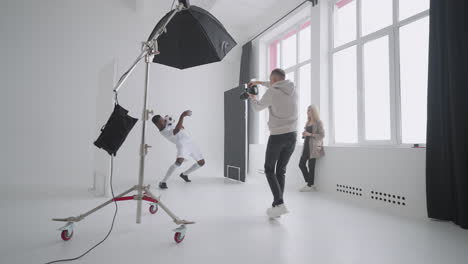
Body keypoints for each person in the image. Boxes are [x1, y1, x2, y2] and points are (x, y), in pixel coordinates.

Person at [248, 68, 298, 218]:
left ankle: (280, 203)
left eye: (270, 80)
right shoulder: (293, 90)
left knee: (269, 169)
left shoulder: (272, 92)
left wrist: (253, 97)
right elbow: (273, 85)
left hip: (278, 136)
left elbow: (257, 108)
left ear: (274, 80)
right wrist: (258, 82)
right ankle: (277, 207)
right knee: (281, 171)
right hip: (293, 135)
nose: (269, 82)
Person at [151, 110, 205, 189]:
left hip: (190, 142)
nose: (164, 121)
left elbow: (175, 126)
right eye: (162, 121)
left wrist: (179, 125)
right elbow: (176, 130)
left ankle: (184, 174)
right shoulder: (164, 132)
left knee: (201, 162)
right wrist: (182, 115)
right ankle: (163, 182)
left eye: (163, 119)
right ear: (157, 124)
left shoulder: (166, 124)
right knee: (179, 162)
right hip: (182, 144)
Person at [299, 105, 325, 192]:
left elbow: (322, 135)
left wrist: (310, 134)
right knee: (301, 164)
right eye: (307, 110)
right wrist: (304, 135)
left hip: (313, 148)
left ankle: (309, 185)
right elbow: (307, 135)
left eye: (309, 110)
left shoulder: (319, 122)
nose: (307, 112)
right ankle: (310, 184)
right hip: (306, 146)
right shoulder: (307, 122)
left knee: (311, 166)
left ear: (313, 112)